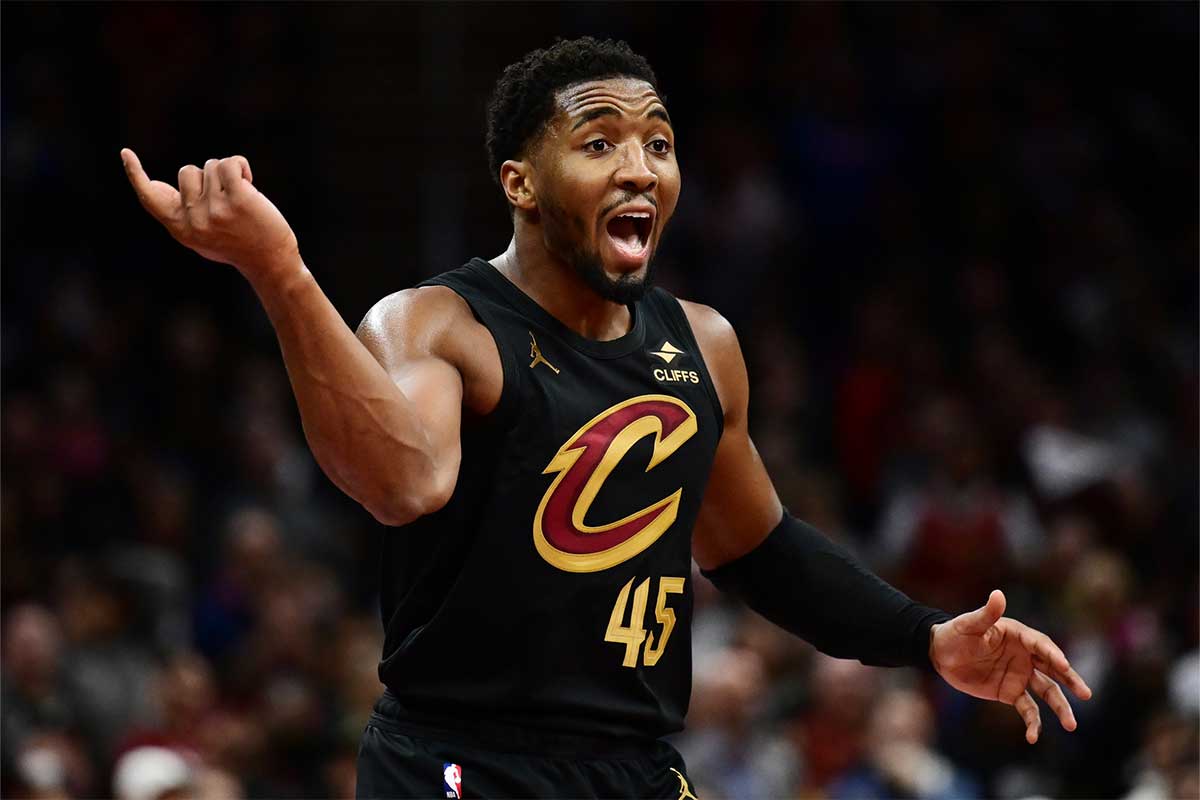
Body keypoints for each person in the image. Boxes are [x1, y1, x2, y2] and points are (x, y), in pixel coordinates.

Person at [121, 36, 1093, 800]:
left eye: (658, 144)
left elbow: (756, 548)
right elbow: (405, 479)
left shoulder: (703, 344)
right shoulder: (438, 322)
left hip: (631, 762)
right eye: (600, 143)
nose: (641, 168)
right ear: (521, 184)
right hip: (459, 760)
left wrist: (924, 636)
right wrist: (278, 271)